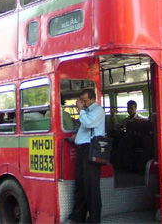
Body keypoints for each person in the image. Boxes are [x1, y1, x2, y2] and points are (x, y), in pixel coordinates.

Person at [67, 88, 105, 224]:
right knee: (81, 183)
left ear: (93, 99)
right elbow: (85, 129)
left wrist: (80, 110)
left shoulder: (97, 110)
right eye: (81, 101)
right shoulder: (87, 112)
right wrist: (76, 137)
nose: (83, 103)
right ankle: (78, 216)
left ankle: (94, 219)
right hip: (83, 149)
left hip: (92, 149)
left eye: (85, 101)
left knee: (91, 185)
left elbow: (89, 123)